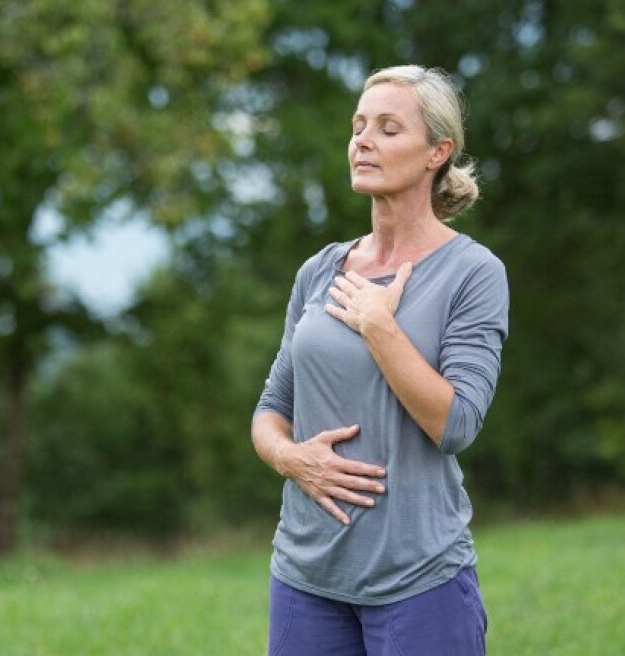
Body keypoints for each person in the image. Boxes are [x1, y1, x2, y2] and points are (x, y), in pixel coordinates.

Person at [251, 64, 509, 656]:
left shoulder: (473, 273)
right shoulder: (321, 270)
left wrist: (379, 327)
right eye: (359, 125)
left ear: (436, 152)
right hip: (305, 579)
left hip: (419, 583)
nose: (363, 140)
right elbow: (271, 410)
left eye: (388, 128)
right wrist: (293, 458)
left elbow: (457, 424)